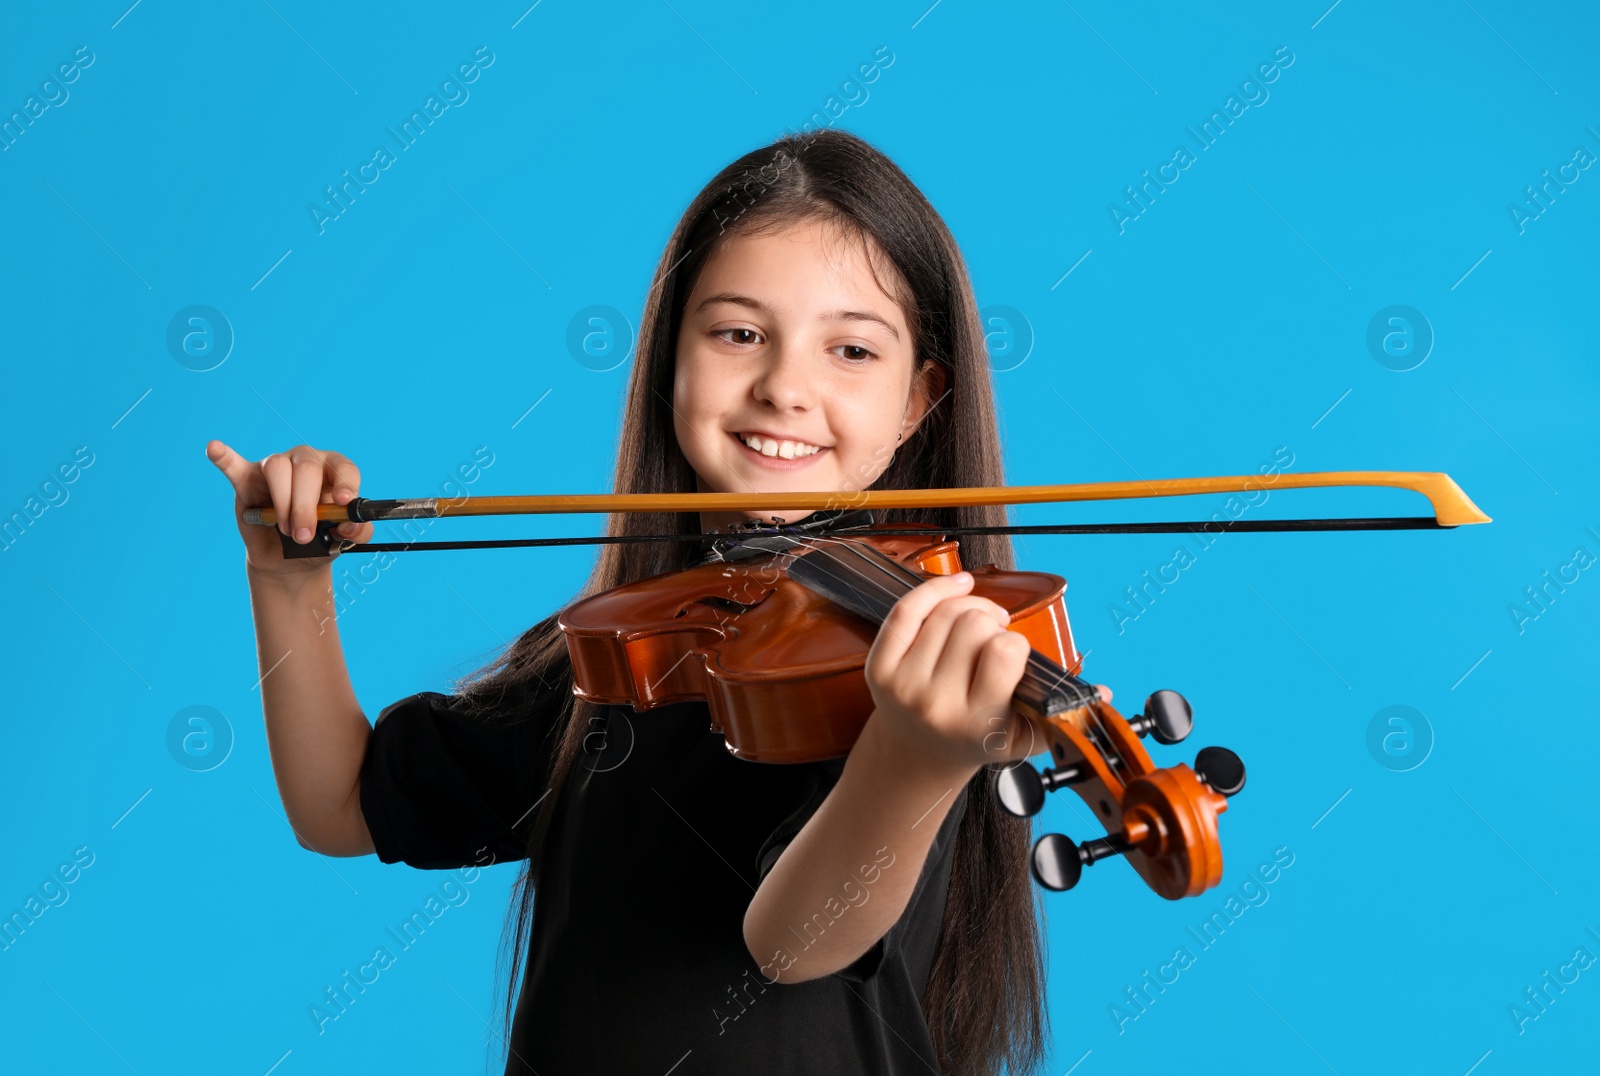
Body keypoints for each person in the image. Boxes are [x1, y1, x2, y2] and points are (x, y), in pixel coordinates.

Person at [208, 127, 1104, 1075]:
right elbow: (342, 806)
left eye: (851, 349)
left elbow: (792, 943)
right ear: (669, 356)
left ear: (919, 401)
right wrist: (288, 576)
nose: (785, 387)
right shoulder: (631, 651)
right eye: (739, 333)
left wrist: (916, 759)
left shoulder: (914, 667)